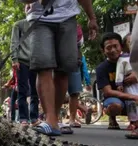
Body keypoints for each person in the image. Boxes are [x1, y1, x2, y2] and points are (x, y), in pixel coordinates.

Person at [22, 0, 98, 136]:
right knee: (43, 66)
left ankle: (55, 118)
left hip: (67, 17)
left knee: (64, 70)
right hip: (40, 18)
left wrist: (92, 17)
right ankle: (50, 120)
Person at [95, 32, 138, 138]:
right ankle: (112, 117)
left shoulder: (131, 61)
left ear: (121, 46)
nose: (113, 50)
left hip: (133, 94)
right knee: (115, 106)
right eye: (109, 47)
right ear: (103, 50)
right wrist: (133, 97)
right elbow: (108, 91)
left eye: (116, 46)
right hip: (115, 98)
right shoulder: (101, 68)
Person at [10, 4, 40, 127]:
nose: (29, 8)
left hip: (37, 61)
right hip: (22, 61)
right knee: (22, 91)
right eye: (27, 5)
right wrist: (14, 59)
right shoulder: (19, 24)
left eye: (32, 5)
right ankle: (23, 118)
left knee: (35, 91)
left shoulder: (40, 24)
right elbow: (14, 42)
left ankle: (34, 118)